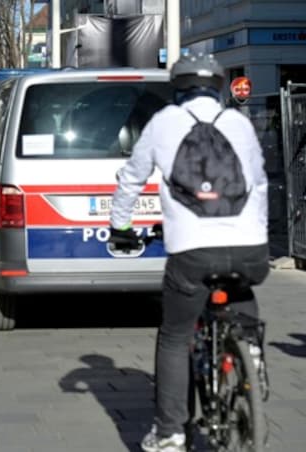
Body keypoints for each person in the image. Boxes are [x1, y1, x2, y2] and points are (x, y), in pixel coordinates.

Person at [108, 54, 269, 452]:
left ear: (177, 87)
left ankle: (170, 433)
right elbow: (261, 182)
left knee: (176, 336)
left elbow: (131, 179)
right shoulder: (239, 123)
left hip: (193, 251)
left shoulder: (164, 123)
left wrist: (121, 228)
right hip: (250, 247)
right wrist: (256, 236)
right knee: (242, 288)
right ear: (217, 86)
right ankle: (248, 347)